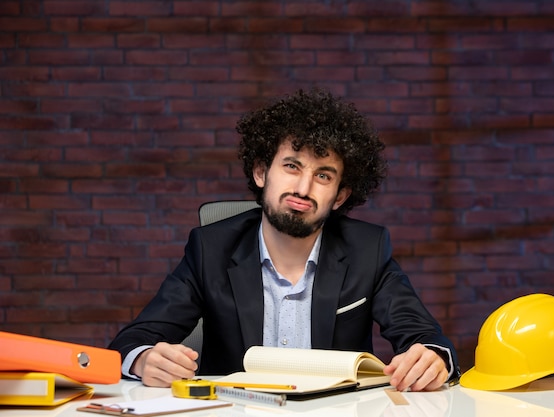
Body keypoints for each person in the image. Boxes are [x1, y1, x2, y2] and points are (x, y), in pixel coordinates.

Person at [109, 88, 461, 391]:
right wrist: (143, 361)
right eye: (292, 166)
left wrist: (431, 358)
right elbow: (131, 342)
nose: (303, 189)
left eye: (323, 175)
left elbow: (426, 338)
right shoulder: (210, 250)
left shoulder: (367, 251)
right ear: (262, 172)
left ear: (339, 197)